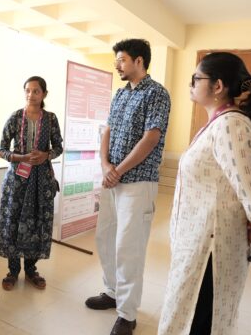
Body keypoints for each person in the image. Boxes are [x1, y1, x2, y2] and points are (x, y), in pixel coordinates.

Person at [157, 52, 251, 335]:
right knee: (188, 314)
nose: (191, 84)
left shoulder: (232, 126)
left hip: (211, 249)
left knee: (200, 320)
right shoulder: (220, 123)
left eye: (196, 79)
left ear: (218, 86)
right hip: (200, 242)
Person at [84, 38, 170, 335]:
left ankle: (128, 313)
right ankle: (112, 292)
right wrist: (106, 166)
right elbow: (107, 130)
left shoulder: (157, 93)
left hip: (138, 181)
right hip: (112, 179)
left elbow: (151, 138)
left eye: (121, 59)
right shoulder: (120, 94)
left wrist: (118, 170)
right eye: (116, 60)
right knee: (105, 238)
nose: (117, 65)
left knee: (129, 247)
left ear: (138, 61)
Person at [0, 76, 63, 291]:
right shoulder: (16, 117)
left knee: (36, 222)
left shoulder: (51, 119)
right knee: (14, 221)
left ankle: (31, 270)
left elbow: (59, 147)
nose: (30, 95)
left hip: (41, 180)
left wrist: (46, 155)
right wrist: (20, 158)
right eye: (27, 90)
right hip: (17, 180)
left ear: (44, 94)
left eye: (35, 91)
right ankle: (13, 271)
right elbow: (2, 149)